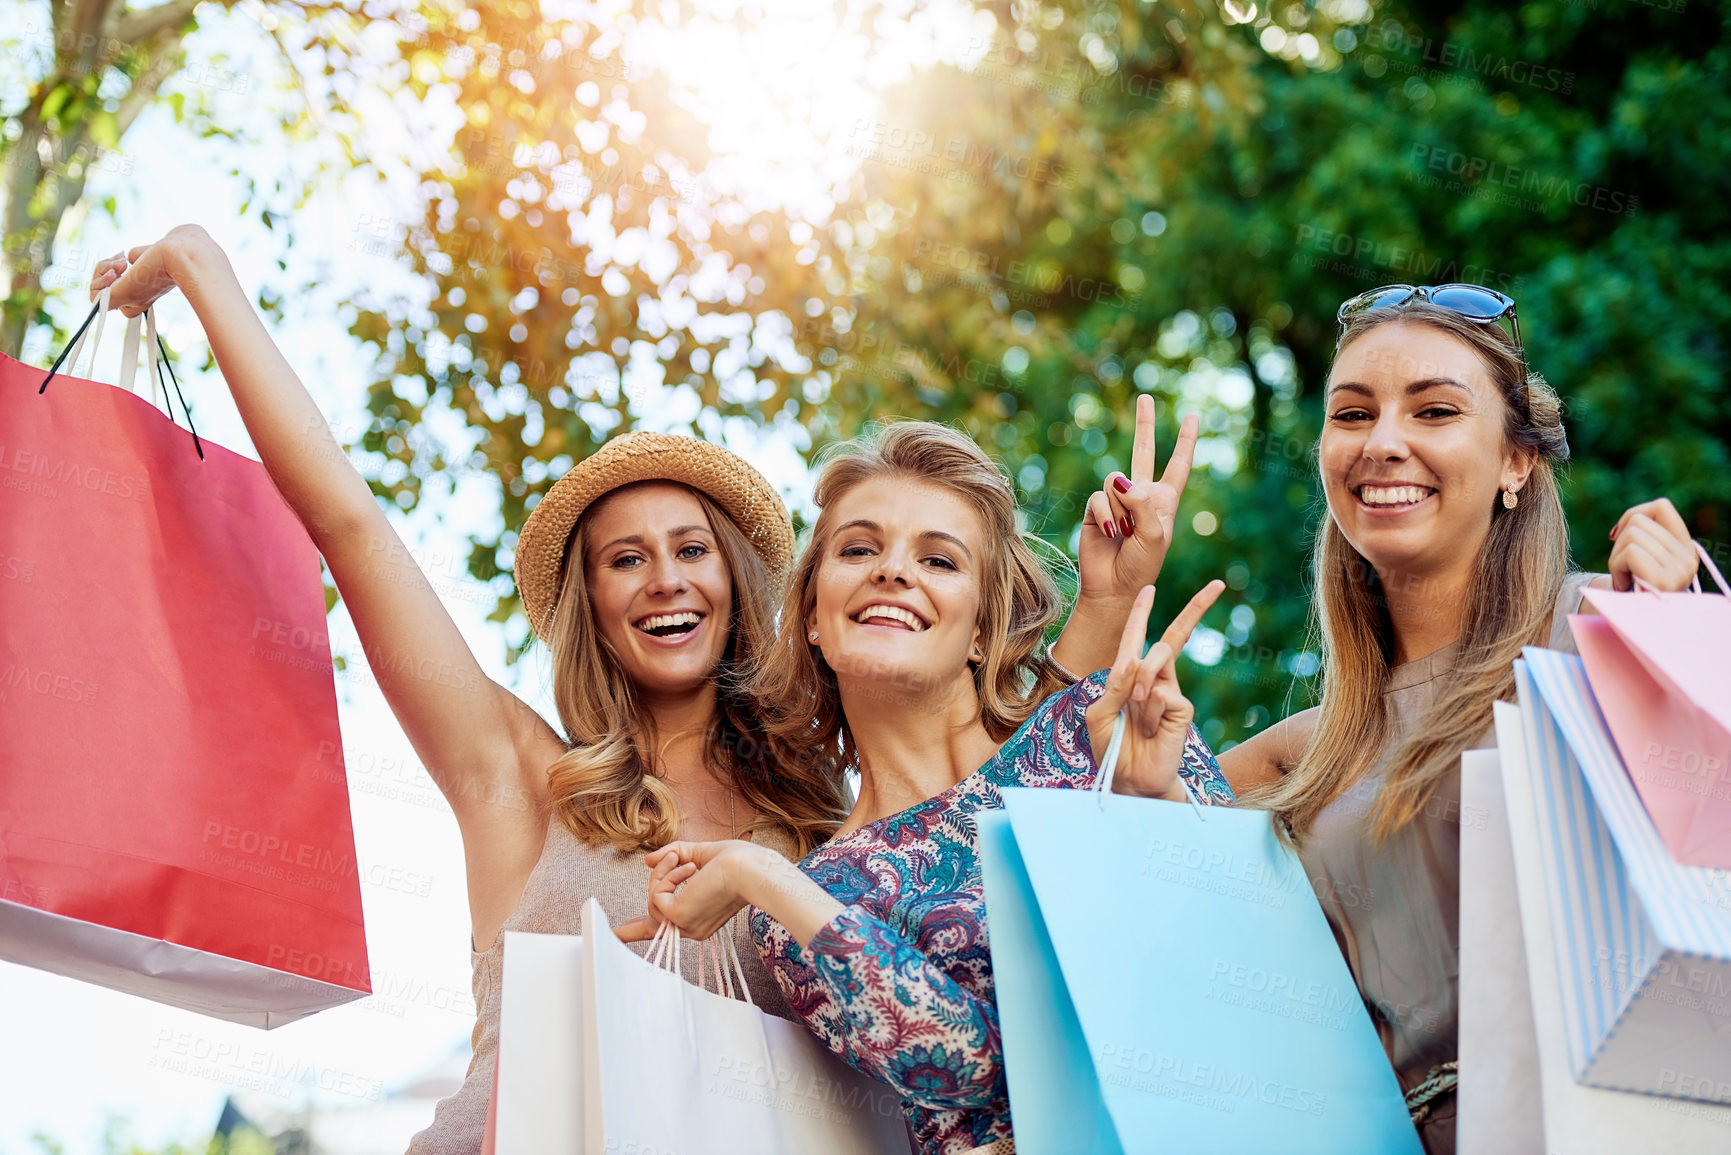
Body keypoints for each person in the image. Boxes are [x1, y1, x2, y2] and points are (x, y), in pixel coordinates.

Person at [89, 227, 1195, 1154]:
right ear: (594, 604)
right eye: (625, 559)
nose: (663, 578)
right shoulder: (522, 778)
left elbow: (1013, 779)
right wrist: (206, 275)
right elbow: (350, 527)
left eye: (690, 550)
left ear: (743, 585)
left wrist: (1111, 613)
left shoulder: (827, 828)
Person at [631, 422, 1233, 1155]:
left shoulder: (1100, 723)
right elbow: (963, 1065)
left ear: (981, 628)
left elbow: (1249, 928)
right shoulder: (808, 896)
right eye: (858, 548)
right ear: (814, 616)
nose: (892, 570)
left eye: (939, 559)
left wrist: (1160, 802)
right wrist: (761, 875)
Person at [1217, 284, 1706, 1153]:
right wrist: (1106, 599)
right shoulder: (1309, 748)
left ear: (1517, 461)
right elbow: (1062, 850)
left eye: (1434, 409)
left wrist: (1682, 639)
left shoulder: (1598, 626)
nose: (1384, 443)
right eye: (1351, 413)